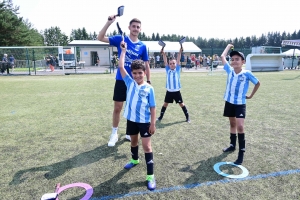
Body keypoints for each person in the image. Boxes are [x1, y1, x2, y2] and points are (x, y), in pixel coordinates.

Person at [97, 16, 151, 147]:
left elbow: (146, 64)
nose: (136, 29)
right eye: (134, 26)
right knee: (118, 108)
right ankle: (114, 133)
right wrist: (108, 22)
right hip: (122, 79)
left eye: (138, 27)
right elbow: (100, 37)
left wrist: (148, 81)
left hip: (135, 82)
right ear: (129, 27)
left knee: (132, 107)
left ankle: (129, 132)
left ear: (140, 29)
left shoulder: (142, 46)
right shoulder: (120, 39)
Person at [118, 40, 157, 190]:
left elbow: (153, 107)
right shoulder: (129, 82)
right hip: (131, 120)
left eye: (140, 73)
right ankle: (134, 160)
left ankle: (150, 176)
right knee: (133, 143)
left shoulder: (149, 88)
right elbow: (121, 66)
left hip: (145, 122)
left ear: (145, 73)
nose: (137, 75)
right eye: (134, 73)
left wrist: (153, 123)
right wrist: (123, 52)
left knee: (147, 147)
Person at [220, 44, 260, 165]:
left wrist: (251, 95)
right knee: (232, 123)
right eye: (232, 59)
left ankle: (241, 152)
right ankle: (232, 145)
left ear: (243, 62)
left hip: (240, 104)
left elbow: (257, 83)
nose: (234, 61)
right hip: (229, 102)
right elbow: (222, 56)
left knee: (240, 126)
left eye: (237, 59)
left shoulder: (247, 73)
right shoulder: (230, 70)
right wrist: (228, 46)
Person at [156, 47, 190, 123]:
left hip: (176, 91)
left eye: (173, 63)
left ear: (176, 64)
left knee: (181, 104)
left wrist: (180, 52)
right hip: (169, 91)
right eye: (170, 63)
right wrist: (163, 53)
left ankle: (187, 117)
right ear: (168, 64)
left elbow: (178, 59)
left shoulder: (177, 69)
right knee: (165, 104)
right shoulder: (167, 69)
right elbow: (165, 61)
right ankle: (160, 117)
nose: (172, 65)